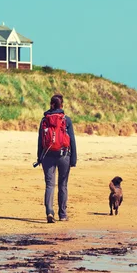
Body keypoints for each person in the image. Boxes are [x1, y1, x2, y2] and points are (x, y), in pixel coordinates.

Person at [37, 94, 77, 223]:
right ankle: (63, 215)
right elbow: (72, 140)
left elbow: (40, 141)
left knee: (49, 185)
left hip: (47, 156)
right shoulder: (66, 119)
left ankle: (49, 212)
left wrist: (39, 157)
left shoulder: (44, 120)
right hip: (64, 155)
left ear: (51, 104)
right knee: (63, 185)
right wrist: (74, 159)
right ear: (62, 105)